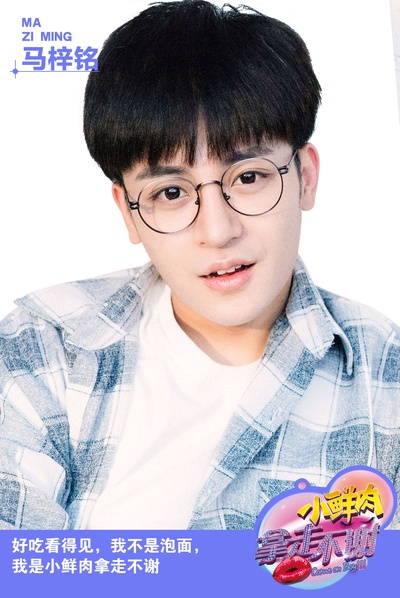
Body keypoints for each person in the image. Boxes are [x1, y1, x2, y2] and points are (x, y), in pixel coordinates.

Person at [0, 0, 399, 531]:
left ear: (305, 176)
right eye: (170, 192)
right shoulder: (42, 348)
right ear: (128, 213)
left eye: (249, 177)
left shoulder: (385, 378)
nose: (217, 230)